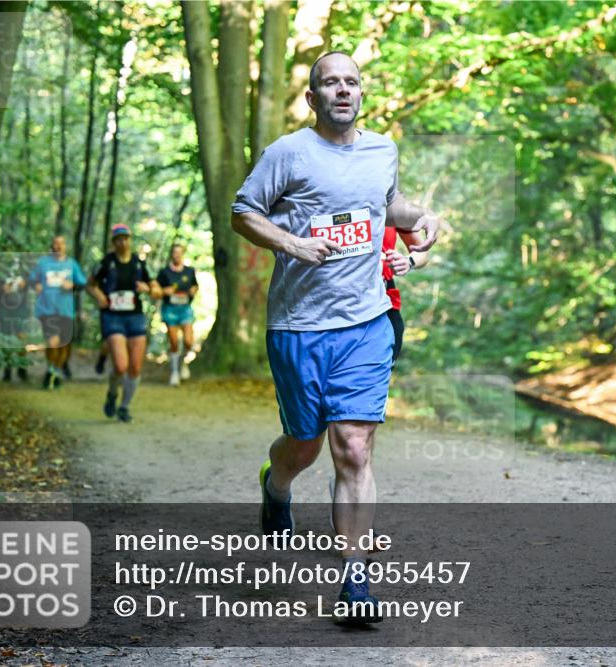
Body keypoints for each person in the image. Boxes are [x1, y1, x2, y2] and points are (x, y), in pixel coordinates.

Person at [231, 51, 440, 624]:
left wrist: (422, 218)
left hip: (366, 322)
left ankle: (354, 578)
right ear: (313, 97)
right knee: (304, 444)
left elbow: (386, 205)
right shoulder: (287, 153)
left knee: (353, 446)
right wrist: (291, 243)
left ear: (362, 93)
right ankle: (276, 485)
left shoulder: (382, 151)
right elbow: (243, 213)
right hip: (298, 325)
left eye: (351, 82)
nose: (342, 90)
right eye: (330, 83)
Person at [86, 224, 159, 423]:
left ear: (130, 240)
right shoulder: (106, 262)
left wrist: (148, 289)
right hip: (112, 317)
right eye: (118, 239)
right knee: (120, 366)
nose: (123, 242)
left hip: (135, 317)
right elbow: (90, 285)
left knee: (135, 368)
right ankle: (112, 393)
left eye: (125, 238)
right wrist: (100, 296)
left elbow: (157, 289)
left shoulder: (139, 264)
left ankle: (124, 407)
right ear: (114, 242)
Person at [28, 235, 87, 390]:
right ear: (52, 246)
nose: (58, 246)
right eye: (56, 243)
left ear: (65, 246)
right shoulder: (43, 263)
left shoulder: (71, 264)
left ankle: (56, 371)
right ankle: (51, 371)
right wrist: (36, 285)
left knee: (64, 346)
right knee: (52, 342)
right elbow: (31, 279)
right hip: (47, 309)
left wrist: (72, 285)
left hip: (66, 310)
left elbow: (83, 283)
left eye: (61, 243)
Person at [381, 227, 429, 363]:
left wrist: (408, 261)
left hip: (384, 301)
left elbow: (422, 251)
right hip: (330, 304)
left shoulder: (391, 213)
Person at [156, 243, 198, 386]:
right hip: (170, 309)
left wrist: (193, 290)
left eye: (180, 253)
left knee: (188, 341)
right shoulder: (164, 272)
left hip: (185, 309)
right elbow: (155, 290)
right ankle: (174, 372)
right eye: (175, 253)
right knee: (174, 342)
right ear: (171, 254)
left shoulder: (189, 271)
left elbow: (195, 286)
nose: (177, 255)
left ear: (183, 254)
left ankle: (183, 363)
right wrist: (164, 291)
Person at [0, 260, 31, 382]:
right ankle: (7, 370)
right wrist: (2, 288)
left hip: (21, 309)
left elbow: (32, 283)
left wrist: (24, 284)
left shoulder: (25, 267)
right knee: (6, 339)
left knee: (21, 338)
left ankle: (22, 368)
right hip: (4, 310)